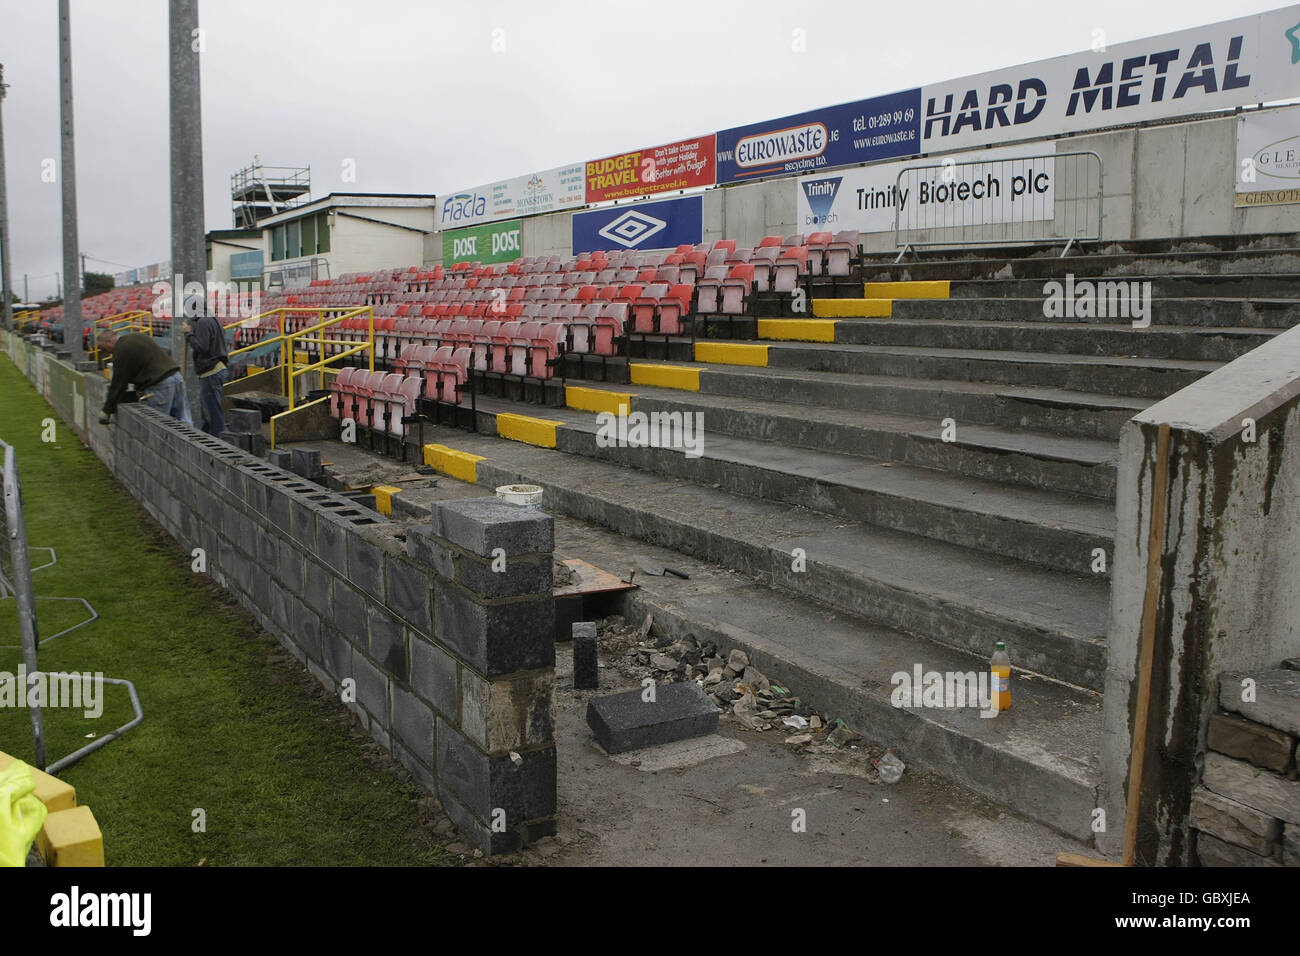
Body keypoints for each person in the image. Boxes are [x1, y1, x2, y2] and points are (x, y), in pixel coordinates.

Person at [97, 331, 193, 426]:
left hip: (159, 385)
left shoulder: (121, 349)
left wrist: (107, 410)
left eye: (104, 349)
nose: (108, 352)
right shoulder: (137, 336)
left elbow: (118, 383)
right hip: (176, 376)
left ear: (108, 341)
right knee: (184, 420)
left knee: (159, 425)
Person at [183, 315, 230, 435]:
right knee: (209, 412)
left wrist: (189, 334)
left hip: (211, 371)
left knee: (213, 412)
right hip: (216, 368)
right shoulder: (213, 320)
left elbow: (202, 347)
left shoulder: (203, 322)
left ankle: (218, 442)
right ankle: (208, 437)